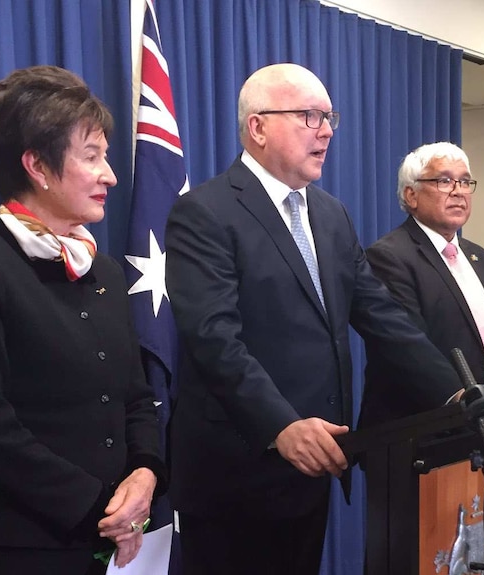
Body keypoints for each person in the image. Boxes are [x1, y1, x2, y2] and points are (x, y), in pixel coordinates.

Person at [164, 63, 465, 574]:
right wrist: (281, 425)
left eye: (329, 117)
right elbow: (214, 339)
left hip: (316, 462)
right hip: (236, 472)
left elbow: (381, 316)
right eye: (309, 116)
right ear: (257, 127)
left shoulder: (330, 214)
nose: (326, 130)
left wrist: (457, 391)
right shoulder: (205, 212)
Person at [0, 65, 166, 574]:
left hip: (123, 535)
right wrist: (99, 509)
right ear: (37, 165)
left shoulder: (101, 268)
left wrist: (144, 475)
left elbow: (134, 394)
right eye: (92, 157)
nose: (110, 175)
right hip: (24, 544)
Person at [360, 142, 484, 426]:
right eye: (444, 181)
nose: (459, 191)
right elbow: (407, 349)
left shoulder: (481, 259)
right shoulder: (390, 256)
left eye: (464, 181)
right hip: (423, 431)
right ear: (411, 195)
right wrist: (465, 402)